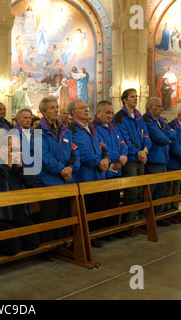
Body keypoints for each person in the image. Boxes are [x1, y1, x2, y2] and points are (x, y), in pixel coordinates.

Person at [35, 96, 80, 259]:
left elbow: (75, 152)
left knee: (64, 215)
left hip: (67, 180)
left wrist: (72, 168)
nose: (56, 110)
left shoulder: (65, 130)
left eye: (56, 107)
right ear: (43, 112)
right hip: (49, 181)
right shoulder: (38, 132)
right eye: (52, 108)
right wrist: (63, 170)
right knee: (49, 217)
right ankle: (45, 249)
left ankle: (62, 245)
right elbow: (43, 156)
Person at [0, 135, 39, 255]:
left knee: (33, 243)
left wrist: (21, 166)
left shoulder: (20, 164)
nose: (16, 153)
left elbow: (31, 183)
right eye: (12, 149)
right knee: (12, 249)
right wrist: (6, 165)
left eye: (18, 149)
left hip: (20, 216)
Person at [68, 98, 109, 248]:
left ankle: (94, 236)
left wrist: (106, 159)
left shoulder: (91, 128)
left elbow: (101, 146)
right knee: (86, 209)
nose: (86, 109)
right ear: (74, 112)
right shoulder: (72, 130)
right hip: (84, 176)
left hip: (98, 174)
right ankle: (84, 239)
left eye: (86, 107)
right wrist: (99, 162)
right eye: (82, 108)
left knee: (97, 207)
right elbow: (82, 153)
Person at [112, 88, 151, 224]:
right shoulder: (119, 117)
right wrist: (137, 152)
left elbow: (145, 133)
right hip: (131, 160)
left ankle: (134, 221)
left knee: (140, 192)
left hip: (141, 158)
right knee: (132, 193)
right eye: (132, 97)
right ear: (125, 99)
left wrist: (145, 150)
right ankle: (126, 223)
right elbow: (125, 139)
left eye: (136, 96)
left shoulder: (138, 115)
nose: (136, 99)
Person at [92, 100, 128, 238]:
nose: (110, 116)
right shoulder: (94, 128)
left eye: (112, 113)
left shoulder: (114, 128)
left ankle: (112, 230)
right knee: (103, 204)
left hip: (116, 170)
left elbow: (123, 144)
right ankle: (102, 232)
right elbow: (102, 148)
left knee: (114, 202)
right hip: (104, 172)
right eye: (107, 113)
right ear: (99, 112)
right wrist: (118, 157)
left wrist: (123, 156)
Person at [142, 97, 176, 222]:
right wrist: (167, 137)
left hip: (163, 158)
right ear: (150, 108)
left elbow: (173, 134)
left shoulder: (160, 121)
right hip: (153, 159)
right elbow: (162, 138)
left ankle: (158, 216)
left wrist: (166, 136)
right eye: (159, 106)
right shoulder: (146, 120)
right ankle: (146, 217)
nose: (162, 109)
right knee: (151, 190)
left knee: (161, 189)